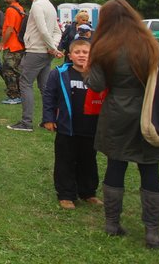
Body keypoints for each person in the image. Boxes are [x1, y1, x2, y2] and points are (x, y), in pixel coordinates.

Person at [85, 0, 159, 248]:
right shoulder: (151, 44)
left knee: (116, 165)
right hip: (150, 112)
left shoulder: (104, 47)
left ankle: (112, 224)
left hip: (117, 113)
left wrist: (87, 67)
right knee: (150, 170)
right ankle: (152, 232)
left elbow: (97, 84)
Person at [41, 39, 101, 210]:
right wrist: (48, 118)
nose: (81, 55)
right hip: (67, 128)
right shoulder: (59, 73)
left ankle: (88, 192)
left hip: (91, 127)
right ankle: (66, 195)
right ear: (70, 56)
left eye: (85, 52)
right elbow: (49, 97)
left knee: (88, 160)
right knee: (65, 161)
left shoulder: (98, 75)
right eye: (77, 52)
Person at [8, 0, 62, 132]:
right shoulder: (50, 6)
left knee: (25, 83)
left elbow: (43, 30)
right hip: (45, 52)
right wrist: (53, 48)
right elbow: (57, 31)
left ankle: (26, 122)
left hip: (36, 51)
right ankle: (48, 120)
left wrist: (53, 48)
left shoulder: (38, 6)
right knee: (45, 87)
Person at [0, 0, 26, 104]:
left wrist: (1, 44)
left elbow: (10, 28)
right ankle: (20, 94)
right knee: (17, 71)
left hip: (12, 46)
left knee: (9, 71)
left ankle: (14, 96)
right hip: (19, 45)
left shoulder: (11, 10)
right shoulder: (20, 9)